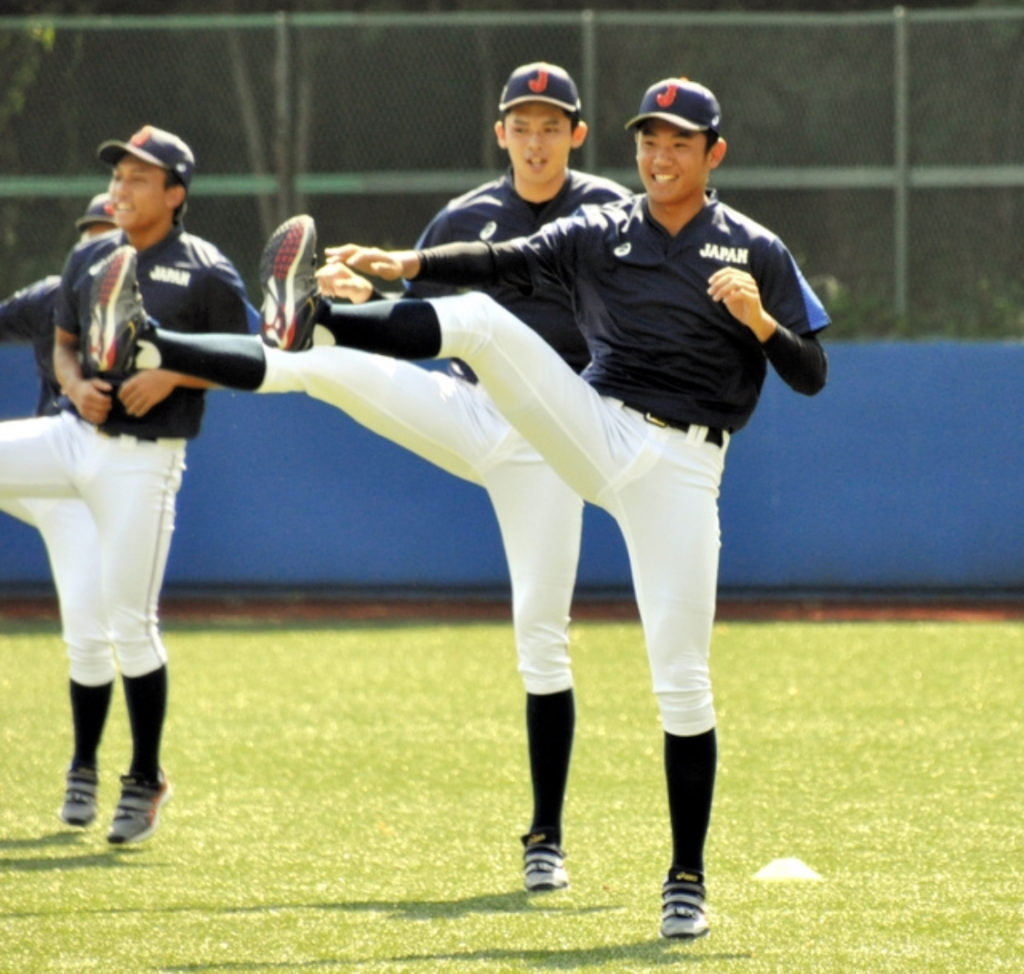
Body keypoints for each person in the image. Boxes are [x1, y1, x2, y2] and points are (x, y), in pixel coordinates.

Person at [102, 76, 830, 937]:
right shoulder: (605, 226)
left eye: (679, 142)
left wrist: (759, 324)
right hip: (591, 424)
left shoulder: (753, 249)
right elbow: (497, 265)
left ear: (714, 154)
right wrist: (405, 265)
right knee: (475, 321)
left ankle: (685, 878)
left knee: (681, 681)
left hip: (682, 466)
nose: (660, 155)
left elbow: (810, 374)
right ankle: (313, 322)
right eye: (650, 140)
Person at [109, 64, 628, 887]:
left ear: (576, 134)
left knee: (542, 637)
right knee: (318, 361)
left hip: (552, 440)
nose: (535, 139)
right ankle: (153, 344)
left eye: (550, 125)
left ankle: (545, 839)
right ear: (500, 134)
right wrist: (352, 292)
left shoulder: (607, 212)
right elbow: (411, 305)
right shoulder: (468, 216)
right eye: (521, 125)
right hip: (468, 410)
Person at [0, 126, 255, 844]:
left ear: (176, 195)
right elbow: (65, 341)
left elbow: (247, 357)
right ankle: (99, 766)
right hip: (72, 436)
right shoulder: (90, 255)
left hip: (142, 461)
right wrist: (75, 384)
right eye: (118, 177)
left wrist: (173, 374)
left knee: (128, 625)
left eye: (139, 180)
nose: (121, 189)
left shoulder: (205, 269)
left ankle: (144, 777)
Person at [0, 194, 118, 834]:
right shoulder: (52, 295)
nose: (95, 245)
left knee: (90, 636)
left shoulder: (154, 297)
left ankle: (84, 771)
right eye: (90, 234)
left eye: (108, 234)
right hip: (43, 464)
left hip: (88, 487)